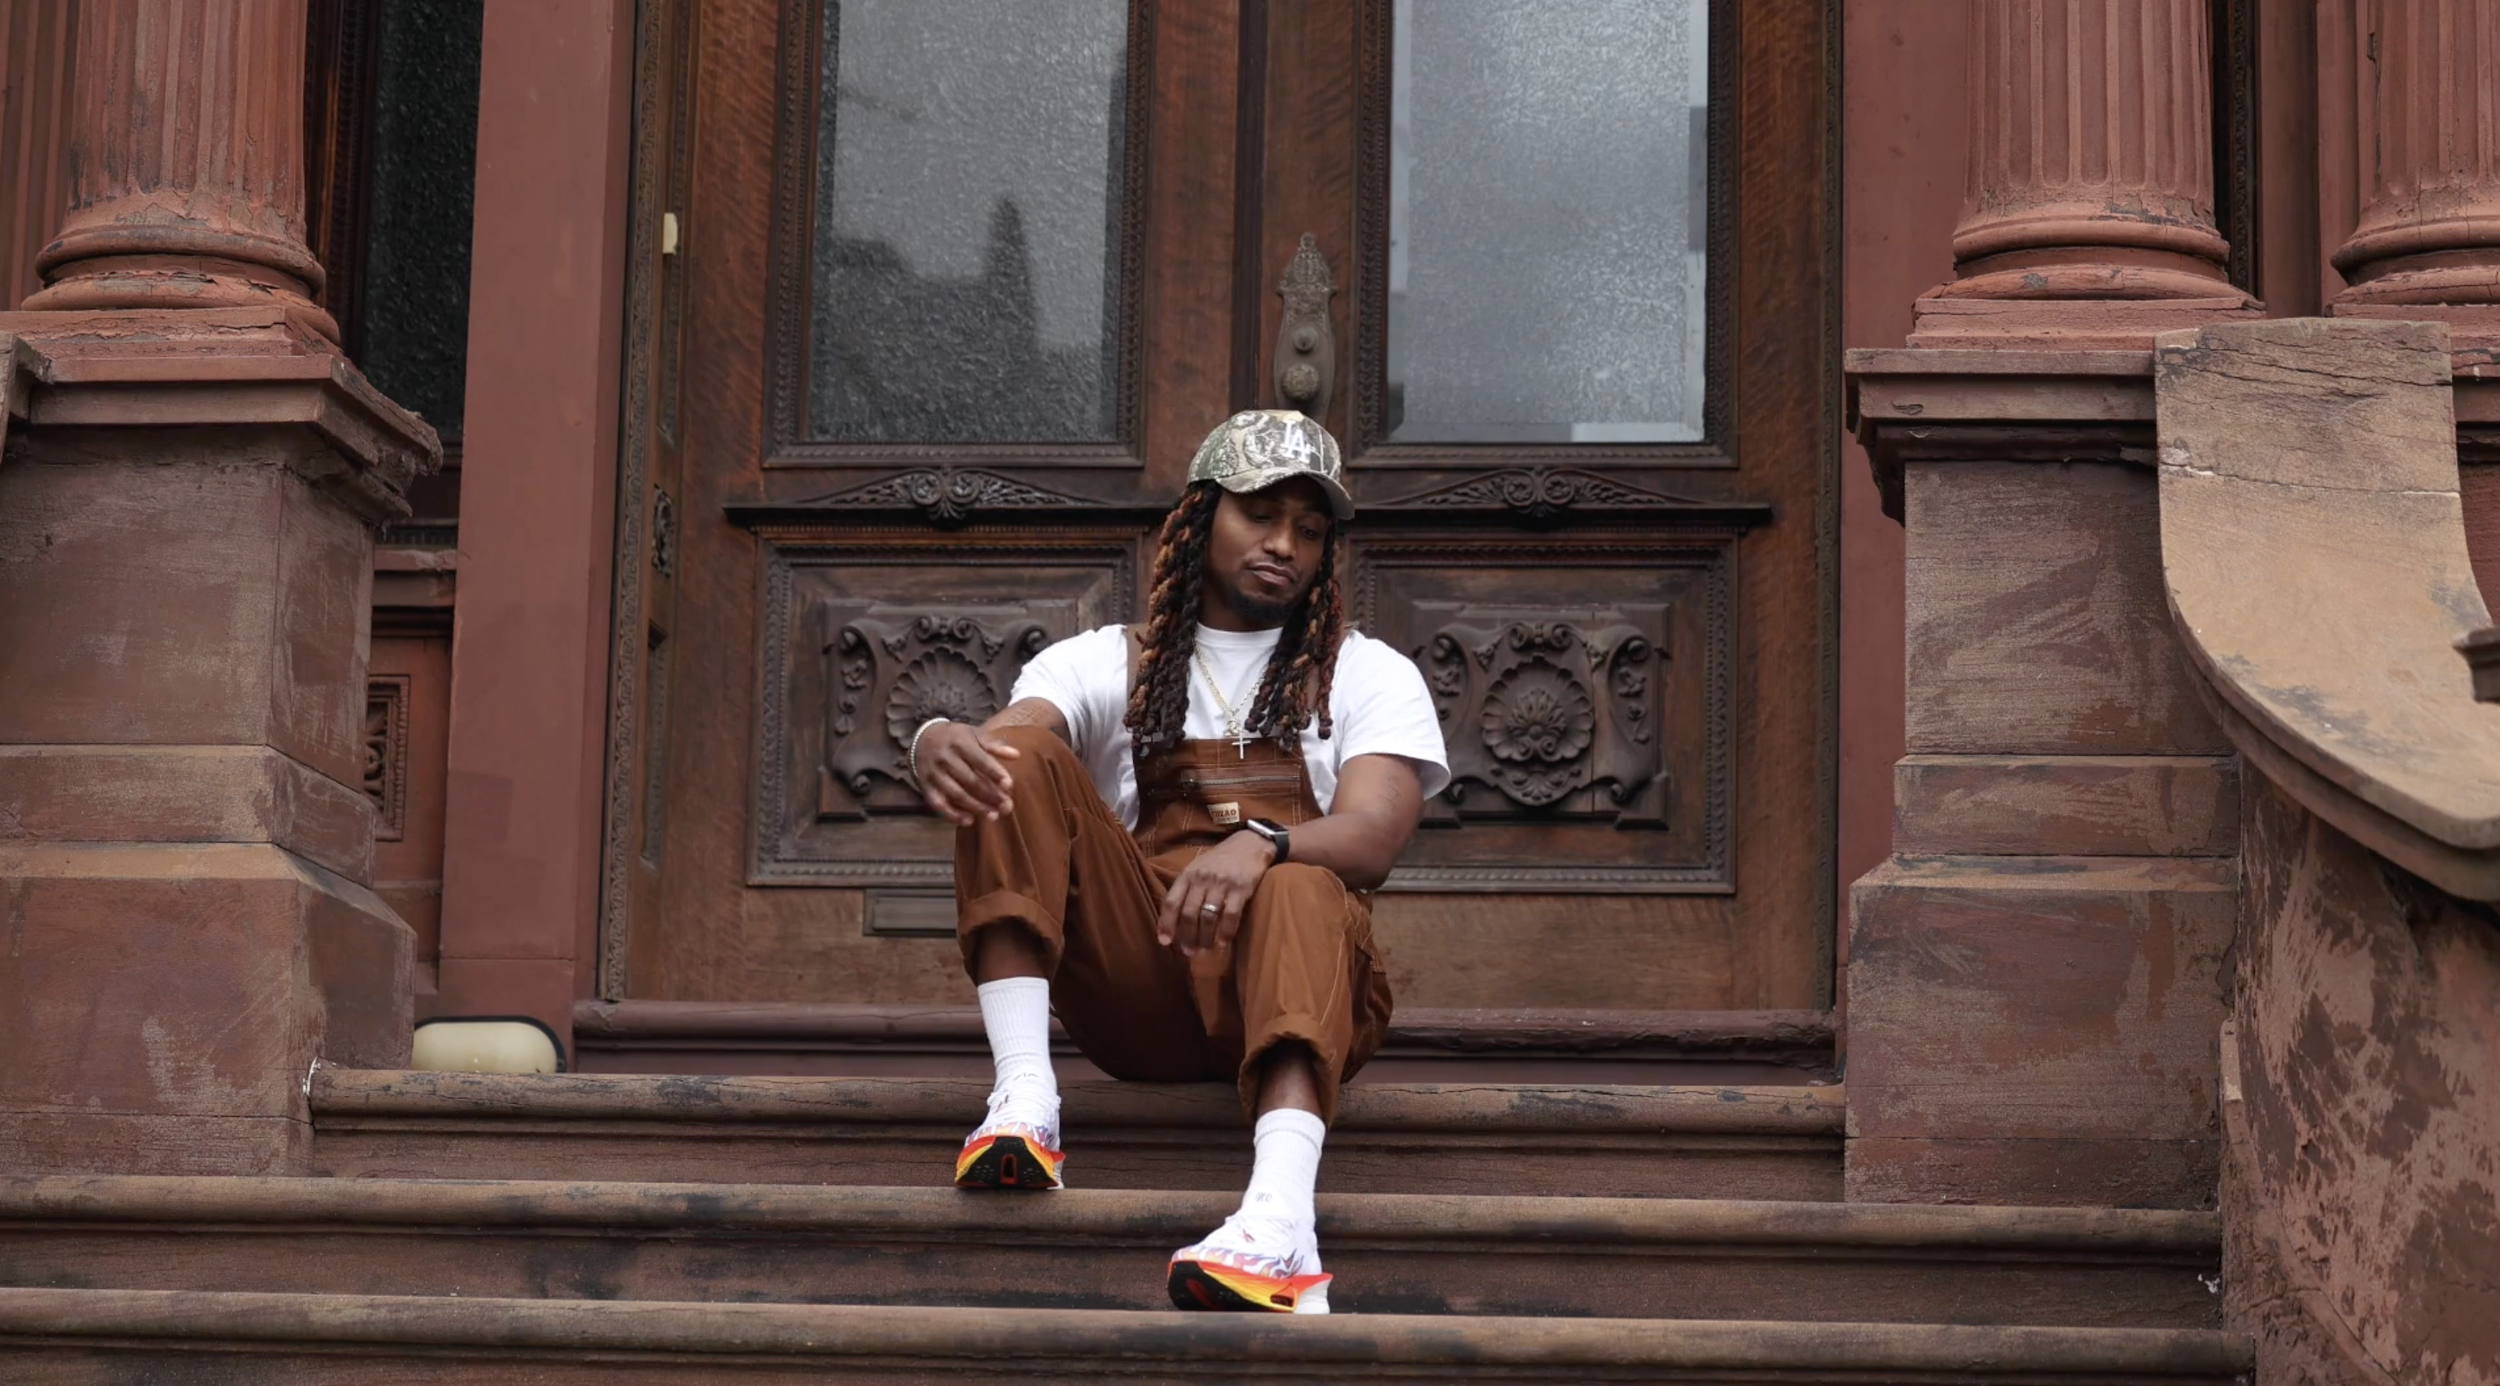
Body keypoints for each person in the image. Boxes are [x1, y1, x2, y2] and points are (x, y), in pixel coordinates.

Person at [908, 409, 1449, 1315]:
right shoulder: (1106, 661)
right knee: (1017, 761)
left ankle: (1278, 1219)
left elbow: (1376, 835)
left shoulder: (1366, 670)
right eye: (1260, 516)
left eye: (1309, 531)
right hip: (1144, 989)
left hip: (1293, 991)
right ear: (1198, 520)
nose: (1284, 544)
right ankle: (1025, 1099)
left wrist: (1263, 843)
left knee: (1306, 886)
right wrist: (937, 739)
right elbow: (1014, 745)